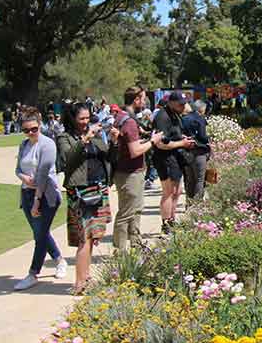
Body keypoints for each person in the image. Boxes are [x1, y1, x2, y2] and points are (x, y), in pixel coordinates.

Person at [56, 102, 115, 294]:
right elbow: (67, 159)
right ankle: (79, 284)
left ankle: (86, 277)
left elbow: (107, 156)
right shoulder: (64, 137)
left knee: (92, 238)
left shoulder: (96, 135)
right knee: (84, 237)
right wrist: (84, 140)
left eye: (88, 118)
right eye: (81, 118)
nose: (85, 122)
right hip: (80, 193)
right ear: (72, 119)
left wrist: (114, 142)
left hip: (97, 189)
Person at [14, 108, 67, 290]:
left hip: (47, 194)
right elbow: (18, 169)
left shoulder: (48, 144)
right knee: (40, 233)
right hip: (27, 193)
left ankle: (33, 273)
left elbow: (44, 175)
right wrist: (24, 179)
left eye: (34, 129)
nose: (30, 133)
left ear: (40, 125)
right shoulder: (23, 145)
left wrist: (37, 201)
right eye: (26, 130)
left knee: (41, 234)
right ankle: (60, 260)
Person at [112, 87, 162, 251]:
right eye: (143, 98)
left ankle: (136, 243)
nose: (145, 102)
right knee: (126, 212)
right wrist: (153, 141)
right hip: (130, 173)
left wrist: (144, 139)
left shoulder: (120, 117)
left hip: (126, 171)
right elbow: (135, 152)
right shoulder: (130, 122)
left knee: (136, 209)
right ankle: (120, 251)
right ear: (136, 100)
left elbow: (127, 145)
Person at [152, 91, 195, 234]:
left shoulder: (175, 113)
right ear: (171, 102)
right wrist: (181, 143)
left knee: (177, 191)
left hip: (174, 157)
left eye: (184, 103)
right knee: (168, 192)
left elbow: (173, 133)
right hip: (164, 158)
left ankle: (172, 219)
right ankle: (166, 224)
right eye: (180, 104)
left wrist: (181, 138)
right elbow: (160, 143)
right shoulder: (162, 117)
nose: (184, 106)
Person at [181, 100, 211, 203]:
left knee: (190, 179)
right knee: (199, 179)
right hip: (199, 152)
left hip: (186, 152)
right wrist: (209, 138)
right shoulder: (200, 118)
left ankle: (189, 203)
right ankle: (197, 205)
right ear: (202, 109)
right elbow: (202, 136)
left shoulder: (183, 118)